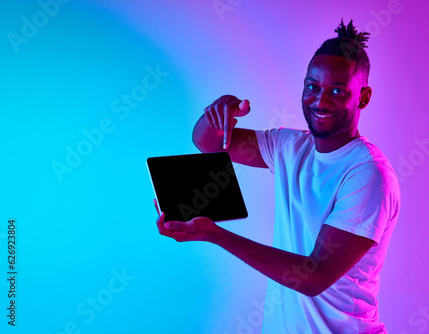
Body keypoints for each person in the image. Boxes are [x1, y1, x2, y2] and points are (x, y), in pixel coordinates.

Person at [155, 19, 400, 333]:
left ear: (363, 97)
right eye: (313, 87)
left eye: (338, 91)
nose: (321, 101)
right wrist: (216, 113)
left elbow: (314, 276)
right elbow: (209, 142)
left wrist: (215, 234)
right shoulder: (290, 146)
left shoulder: (368, 175)